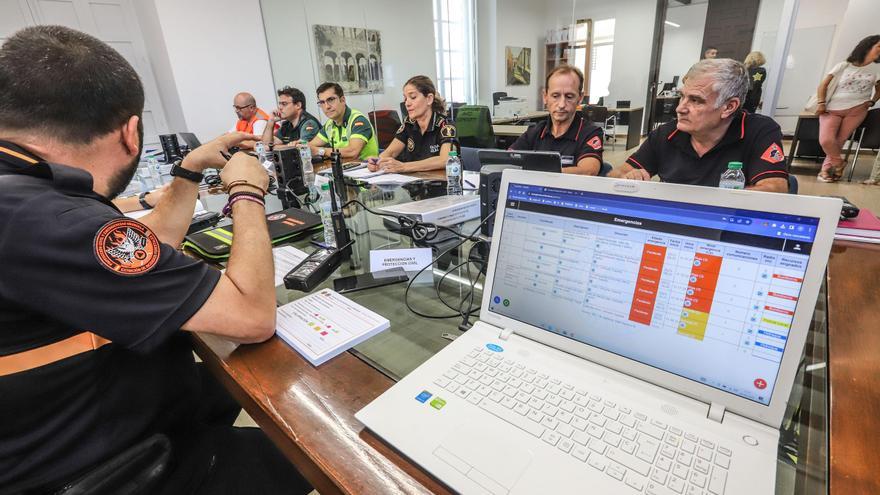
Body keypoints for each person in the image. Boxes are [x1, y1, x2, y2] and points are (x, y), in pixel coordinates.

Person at [0, 26, 311, 494]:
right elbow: (251, 315)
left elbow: (135, 251)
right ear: (131, 131)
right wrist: (247, 191)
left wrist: (187, 172)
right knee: (301, 451)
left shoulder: (24, 194)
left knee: (225, 386)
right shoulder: (48, 217)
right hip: (104, 465)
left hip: (71, 422)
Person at [610, 58, 788, 192]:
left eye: (695, 100)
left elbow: (774, 190)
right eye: (682, 96)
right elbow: (614, 175)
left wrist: (700, 204)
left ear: (728, 107)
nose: (680, 108)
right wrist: (628, 178)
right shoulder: (666, 134)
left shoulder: (759, 131)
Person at [508, 64, 603, 175]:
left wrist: (538, 173)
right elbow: (508, 161)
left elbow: (588, 171)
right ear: (545, 97)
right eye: (555, 95)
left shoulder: (590, 133)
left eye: (569, 96)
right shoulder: (534, 132)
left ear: (580, 98)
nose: (562, 104)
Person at [814, 34, 880, 183]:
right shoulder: (844, 65)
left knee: (839, 141)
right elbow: (823, 85)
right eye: (879, 46)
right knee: (826, 140)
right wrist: (821, 103)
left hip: (857, 110)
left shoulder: (877, 69)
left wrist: (872, 101)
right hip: (831, 108)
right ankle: (839, 163)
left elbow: (879, 88)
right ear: (868, 46)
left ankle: (825, 172)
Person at [366, 75, 456, 173]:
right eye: (405, 98)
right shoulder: (409, 123)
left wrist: (404, 167)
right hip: (415, 183)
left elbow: (445, 159)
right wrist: (377, 162)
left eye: (413, 97)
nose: (407, 103)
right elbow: (390, 153)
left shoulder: (445, 125)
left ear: (429, 99)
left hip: (440, 184)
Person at [305, 82, 378, 161]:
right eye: (322, 102)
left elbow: (353, 152)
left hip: (366, 169)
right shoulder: (329, 124)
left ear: (342, 100)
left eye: (331, 100)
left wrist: (320, 151)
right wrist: (300, 145)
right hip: (344, 168)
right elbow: (311, 146)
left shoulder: (358, 120)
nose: (327, 107)